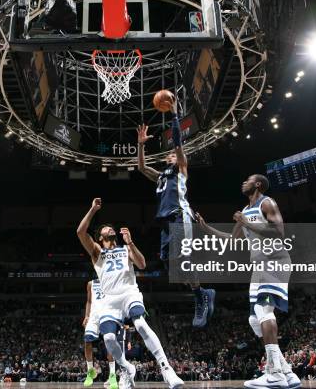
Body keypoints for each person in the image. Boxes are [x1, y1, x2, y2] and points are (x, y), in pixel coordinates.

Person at [197, 174, 300, 389]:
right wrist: (206, 229)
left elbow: (279, 232)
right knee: (255, 320)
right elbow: (233, 240)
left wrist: (247, 224)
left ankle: (274, 374)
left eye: (248, 180)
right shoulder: (244, 211)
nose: (243, 182)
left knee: (264, 311)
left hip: (275, 260)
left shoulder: (267, 202)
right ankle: (287, 372)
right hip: (259, 267)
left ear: (258, 184)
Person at [77, 198, 184, 389]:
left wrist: (131, 242)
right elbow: (80, 232)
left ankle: (167, 369)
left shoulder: (126, 248)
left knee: (141, 324)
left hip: (129, 293)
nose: (110, 229)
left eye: (111, 228)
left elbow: (142, 264)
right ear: (100, 237)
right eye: (105, 229)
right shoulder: (97, 252)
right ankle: (127, 368)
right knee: (109, 338)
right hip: (109, 300)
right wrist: (93, 209)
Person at [136, 95, 214, 328]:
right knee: (169, 264)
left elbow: (178, 144)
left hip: (180, 214)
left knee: (183, 259)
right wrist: (141, 144)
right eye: (168, 155)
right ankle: (201, 292)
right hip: (164, 221)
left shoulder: (181, 169)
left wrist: (174, 115)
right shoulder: (161, 175)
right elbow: (140, 167)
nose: (169, 155)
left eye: (172, 154)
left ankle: (201, 296)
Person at [83, 278, 118, 389]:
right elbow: (89, 301)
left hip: (107, 314)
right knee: (87, 341)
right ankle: (90, 371)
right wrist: (86, 316)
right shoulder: (90, 283)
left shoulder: (112, 280)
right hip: (93, 316)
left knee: (110, 344)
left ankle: (112, 375)